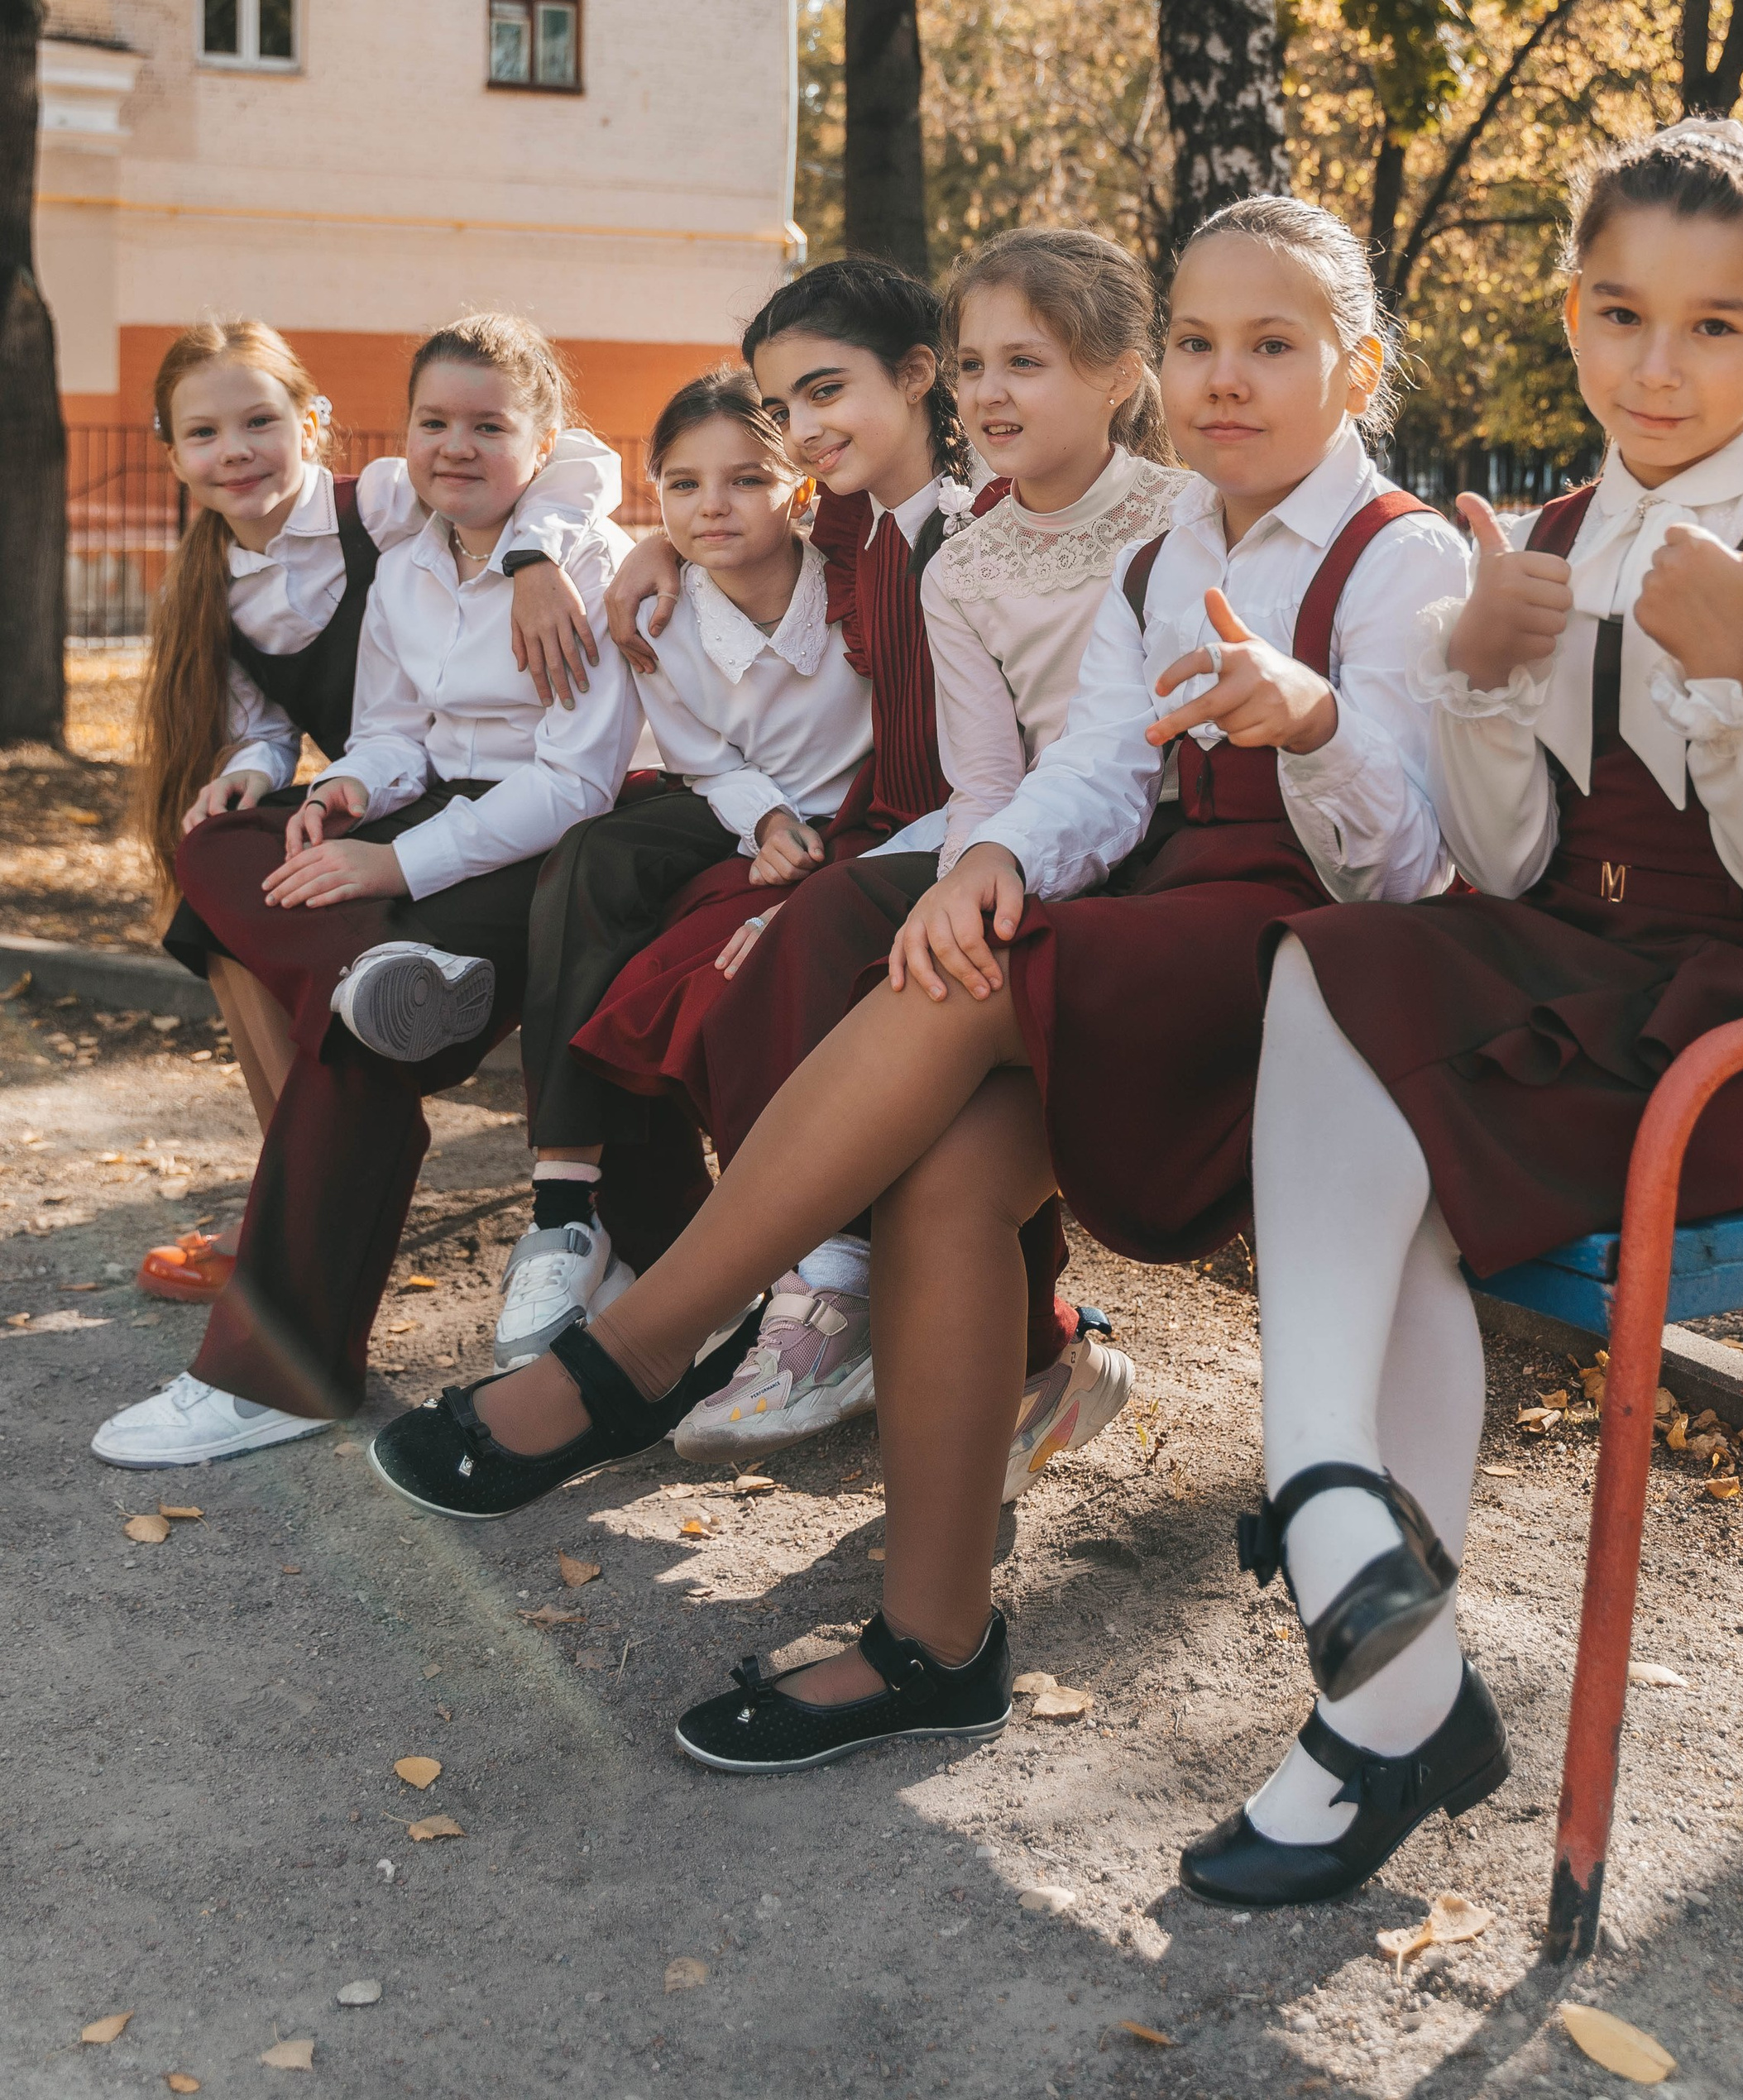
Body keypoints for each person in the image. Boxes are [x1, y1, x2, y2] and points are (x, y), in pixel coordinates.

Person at [367, 196, 1471, 1788]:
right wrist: (993, 856)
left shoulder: (1403, 552)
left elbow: (1411, 867)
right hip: (1167, 928)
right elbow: (1097, 769)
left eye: (1273, 344)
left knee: (964, 976)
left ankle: (638, 1349)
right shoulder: (1172, 555)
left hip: (1319, 968)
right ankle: (935, 1644)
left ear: (1355, 369)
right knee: (950, 1149)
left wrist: (1311, 724)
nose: (1227, 377)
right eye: (1202, 340)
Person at [1177, 117, 1743, 1911]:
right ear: (1571, 314)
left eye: (1710, 324)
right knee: (1334, 959)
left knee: (1366, 1045)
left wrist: (1734, 669)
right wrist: (1475, 670)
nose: (1655, 366)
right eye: (1618, 313)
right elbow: (1508, 856)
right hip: (1577, 987)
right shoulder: (1534, 536)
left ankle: (1343, 1584)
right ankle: (1384, 1663)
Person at [584, 225, 1183, 1487]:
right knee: (670, 940)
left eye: (824, 391)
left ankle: (852, 1295)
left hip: (1091, 839)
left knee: (833, 938)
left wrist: (929, 874)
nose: (801, 429)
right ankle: (730, 1268)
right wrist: (655, 542)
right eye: (782, 408)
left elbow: (1053, 761)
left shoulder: (1001, 524)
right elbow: (978, 770)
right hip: (961, 828)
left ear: (912, 379)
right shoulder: (876, 535)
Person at [90, 314, 706, 1470]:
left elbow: (573, 784)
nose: (455, 445)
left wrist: (396, 863)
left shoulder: (570, 557)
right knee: (221, 846)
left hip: (560, 835)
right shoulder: (414, 560)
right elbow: (389, 731)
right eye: (434, 422)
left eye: (488, 425)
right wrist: (347, 793)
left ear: (537, 442)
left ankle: (275, 1375)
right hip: (434, 809)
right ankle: (376, 976)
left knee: (352, 1044)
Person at [132, 316, 611, 1303]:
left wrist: (532, 558)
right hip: (384, 775)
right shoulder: (208, 583)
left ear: (312, 422)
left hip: (457, 784)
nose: (235, 451)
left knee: (270, 910)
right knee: (216, 875)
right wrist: (255, 773)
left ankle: (311, 1188)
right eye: (204, 433)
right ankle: (299, 1174)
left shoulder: (387, 501)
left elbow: (571, 458)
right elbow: (271, 726)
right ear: (171, 453)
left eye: (259, 421)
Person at [497, 366, 871, 1365]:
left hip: (867, 815)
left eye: (747, 479)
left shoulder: (855, 588)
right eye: (683, 485)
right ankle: (564, 1206)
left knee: (736, 967)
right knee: (592, 854)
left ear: (798, 486)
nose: (713, 506)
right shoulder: (658, 616)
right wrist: (768, 819)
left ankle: (795, 1253)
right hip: (738, 804)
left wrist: (813, 836)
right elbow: (706, 759)